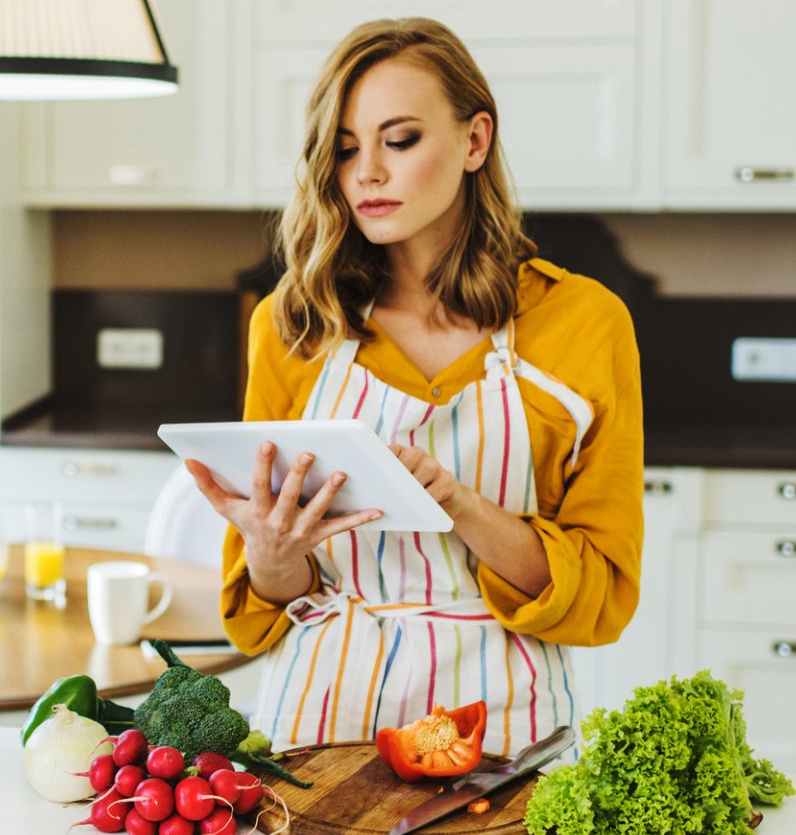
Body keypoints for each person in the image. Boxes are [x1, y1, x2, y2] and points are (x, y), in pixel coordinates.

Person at [186, 17, 643, 757]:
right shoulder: (294, 324)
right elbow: (266, 599)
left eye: (399, 141)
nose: (366, 171)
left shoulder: (583, 322)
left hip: (502, 730)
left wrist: (458, 504)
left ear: (474, 141)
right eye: (344, 150)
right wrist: (271, 548)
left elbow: (601, 593)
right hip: (319, 719)